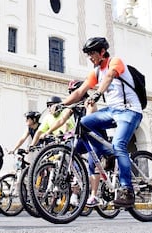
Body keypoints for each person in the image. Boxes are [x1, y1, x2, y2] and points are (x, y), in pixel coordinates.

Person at [60, 37, 143, 208]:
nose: (90, 57)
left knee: (120, 145)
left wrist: (97, 93)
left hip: (130, 111)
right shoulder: (96, 71)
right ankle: (107, 152)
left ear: (102, 52)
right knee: (83, 123)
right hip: (112, 111)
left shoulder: (115, 62)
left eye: (92, 54)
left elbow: (110, 77)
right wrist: (61, 104)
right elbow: (80, 91)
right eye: (88, 54)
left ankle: (127, 190)